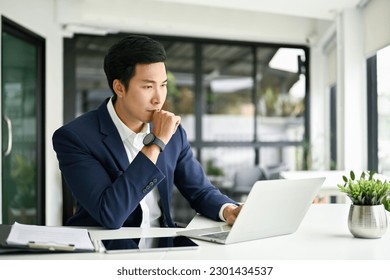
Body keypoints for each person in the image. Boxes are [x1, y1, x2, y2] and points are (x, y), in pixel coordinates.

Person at [52, 35, 242, 229]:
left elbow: (200, 191)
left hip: (162, 247)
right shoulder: (75, 138)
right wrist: (156, 144)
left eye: (163, 85)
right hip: (107, 250)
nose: (158, 98)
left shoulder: (174, 132)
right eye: (148, 87)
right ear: (119, 87)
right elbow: (110, 214)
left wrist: (227, 210)